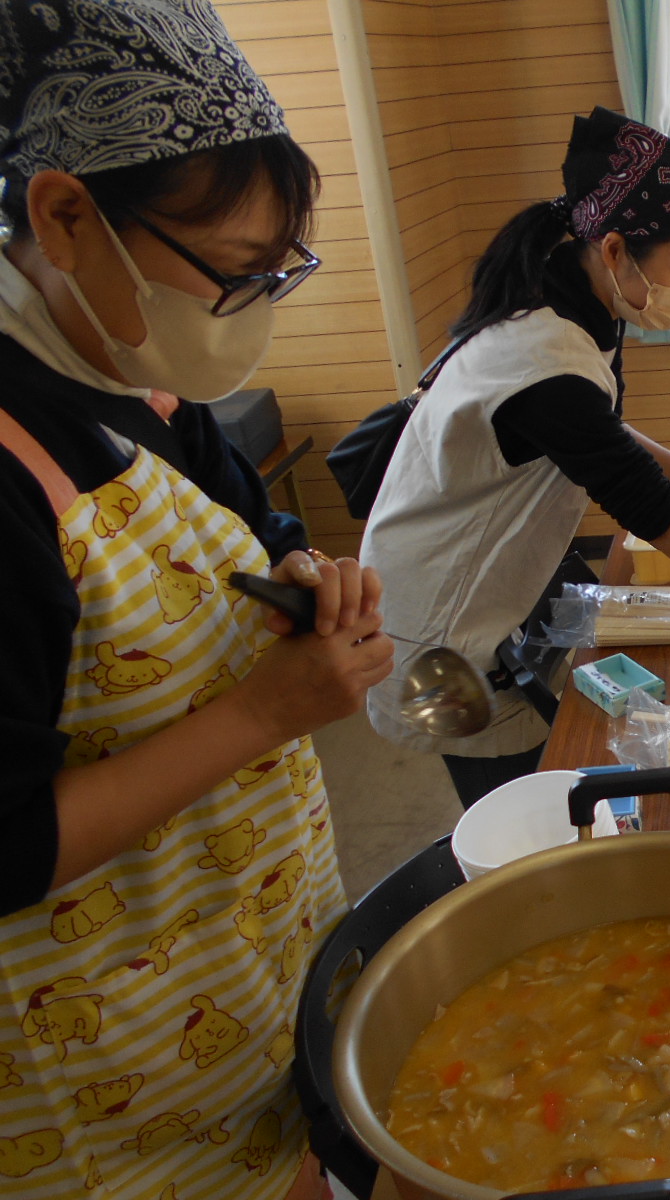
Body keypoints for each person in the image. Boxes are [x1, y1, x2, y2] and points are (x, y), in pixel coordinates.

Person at [0, 2, 394, 1198]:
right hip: (101, 1085)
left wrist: (300, 573)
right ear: (65, 215)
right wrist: (266, 714)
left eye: (279, 272)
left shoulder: (136, 369)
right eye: (234, 275)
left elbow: (242, 527)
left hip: (241, 978)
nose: (255, 313)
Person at [360, 107, 670, 808]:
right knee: (521, 802)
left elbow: (599, 431)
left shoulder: (579, 299)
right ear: (618, 248)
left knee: (541, 769)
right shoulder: (542, 354)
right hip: (438, 618)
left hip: (480, 582)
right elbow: (650, 514)